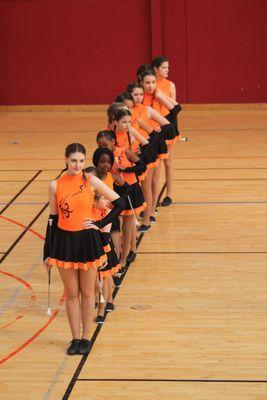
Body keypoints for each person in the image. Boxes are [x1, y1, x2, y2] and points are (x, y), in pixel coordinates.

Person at [43, 143, 125, 355]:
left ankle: (87, 337)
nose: (77, 165)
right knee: (71, 294)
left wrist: (99, 224)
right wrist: (47, 252)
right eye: (73, 161)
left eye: (81, 160)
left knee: (88, 293)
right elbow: (52, 219)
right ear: (66, 160)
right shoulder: (55, 185)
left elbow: (120, 203)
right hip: (64, 243)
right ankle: (75, 338)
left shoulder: (91, 181)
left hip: (87, 241)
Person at [96, 130, 146, 268]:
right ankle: (122, 252)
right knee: (116, 224)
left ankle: (124, 258)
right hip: (114, 191)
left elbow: (142, 166)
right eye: (100, 146)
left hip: (130, 190)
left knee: (127, 225)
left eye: (105, 145)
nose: (102, 148)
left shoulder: (124, 152)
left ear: (113, 142)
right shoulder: (102, 157)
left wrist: (126, 170)